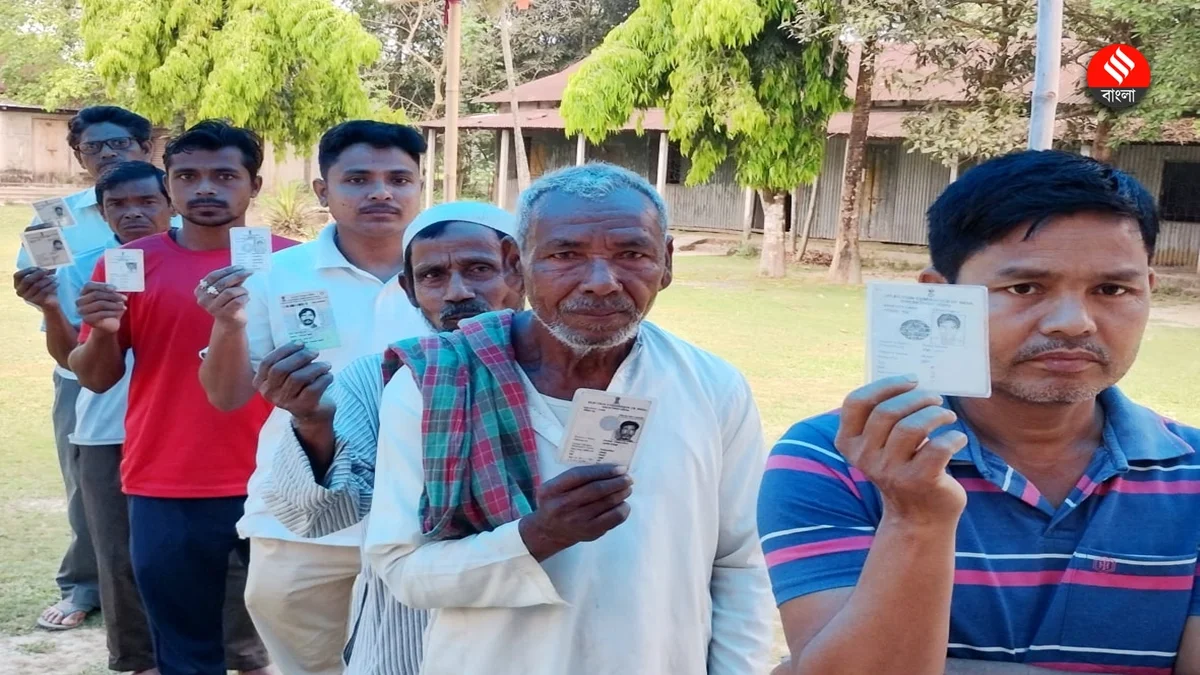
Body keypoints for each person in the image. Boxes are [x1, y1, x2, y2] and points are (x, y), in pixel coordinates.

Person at [760, 150, 1200, 675]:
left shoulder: (1191, 475)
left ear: (1148, 292)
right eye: (1024, 288)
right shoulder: (834, 460)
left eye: (1111, 289)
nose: (1073, 322)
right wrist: (915, 517)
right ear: (940, 298)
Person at [363, 163, 774, 675]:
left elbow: (741, 564)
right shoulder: (435, 384)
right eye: (565, 255)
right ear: (517, 264)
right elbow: (403, 569)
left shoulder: (711, 386)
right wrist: (537, 535)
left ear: (665, 263)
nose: (602, 283)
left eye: (631, 254)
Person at [195, 120, 430, 675]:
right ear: (322, 190)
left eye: (399, 178)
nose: (380, 192)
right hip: (302, 522)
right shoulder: (277, 274)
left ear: (421, 186)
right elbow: (225, 397)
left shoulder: (454, 274)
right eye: (358, 179)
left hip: (425, 519)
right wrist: (226, 325)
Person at [261, 200, 525, 675]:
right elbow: (320, 516)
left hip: (541, 612)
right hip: (410, 624)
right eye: (433, 277)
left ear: (519, 270)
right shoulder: (380, 378)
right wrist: (313, 424)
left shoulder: (575, 370)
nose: (457, 292)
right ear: (408, 289)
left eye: (479, 269)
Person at [69, 120, 292, 675]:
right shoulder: (129, 264)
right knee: (185, 650)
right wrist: (100, 330)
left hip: (282, 482)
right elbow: (96, 378)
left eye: (224, 175)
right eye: (188, 176)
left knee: (300, 644)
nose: (206, 189)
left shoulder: (293, 262)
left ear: (254, 185)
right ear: (169, 186)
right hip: (167, 481)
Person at [12, 105, 156, 631]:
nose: (107, 155)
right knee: (86, 483)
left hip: (166, 365)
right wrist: (39, 296)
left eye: (119, 144)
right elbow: (38, 281)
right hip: (81, 365)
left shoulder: (175, 205)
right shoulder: (55, 215)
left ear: (146, 149)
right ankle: (85, 585)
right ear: (78, 156)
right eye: (93, 148)